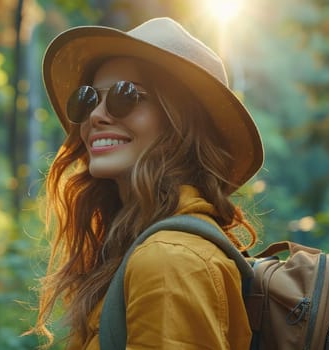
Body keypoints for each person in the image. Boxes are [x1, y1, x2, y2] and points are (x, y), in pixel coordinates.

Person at [29, 17, 264, 349]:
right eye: (88, 99)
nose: (95, 115)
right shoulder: (136, 249)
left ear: (181, 121)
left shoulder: (168, 260)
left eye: (125, 96)